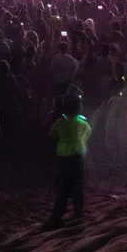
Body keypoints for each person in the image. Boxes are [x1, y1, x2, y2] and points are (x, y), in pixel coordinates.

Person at [45, 89, 90, 226]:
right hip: (77, 158)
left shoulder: (60, 122)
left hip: (63, 159)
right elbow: (88, 133)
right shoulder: (82, 122)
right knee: (77, 186)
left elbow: (51, 134)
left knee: (63, 187)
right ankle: (78, 213)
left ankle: (58, 214)